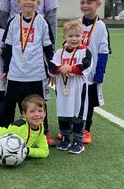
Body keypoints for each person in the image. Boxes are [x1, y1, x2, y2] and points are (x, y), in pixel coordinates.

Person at [1, 0, 55, 146]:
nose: (29, 2)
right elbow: (8, 48)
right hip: (16, 73)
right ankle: (6, 132)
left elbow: (47, 48)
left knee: (39, 106)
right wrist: (5, 69)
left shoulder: (42, 22)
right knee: (9, 106)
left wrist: (51, 69)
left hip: (36, 74)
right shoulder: (13, 22)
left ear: (38, 2)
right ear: (19, 1)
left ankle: (43, 133)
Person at [49, 20, 92, 154]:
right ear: (65, 37)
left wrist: (71, 68)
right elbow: (51, 65)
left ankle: (78, 142)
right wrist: (61, 68)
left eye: (77, 36)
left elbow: (86, 66)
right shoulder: (59, 53)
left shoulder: (84, 52)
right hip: (62, 88)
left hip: (78, 89)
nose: (74, 39)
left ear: (82, 36)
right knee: (63, 114)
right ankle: (65, 139)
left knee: (77, 115)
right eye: (71, 36)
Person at [79, 0, 110, 144]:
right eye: (82, 2)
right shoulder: (76, 23)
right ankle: (74, 127)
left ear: (97, 4)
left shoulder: (101, 26)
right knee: (76, 101)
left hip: (91, 74)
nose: (85, 6)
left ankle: (86, 130)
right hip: (76, 72)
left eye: (89, 3)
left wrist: (100, 72)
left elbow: (104, 52)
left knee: (88, 103)